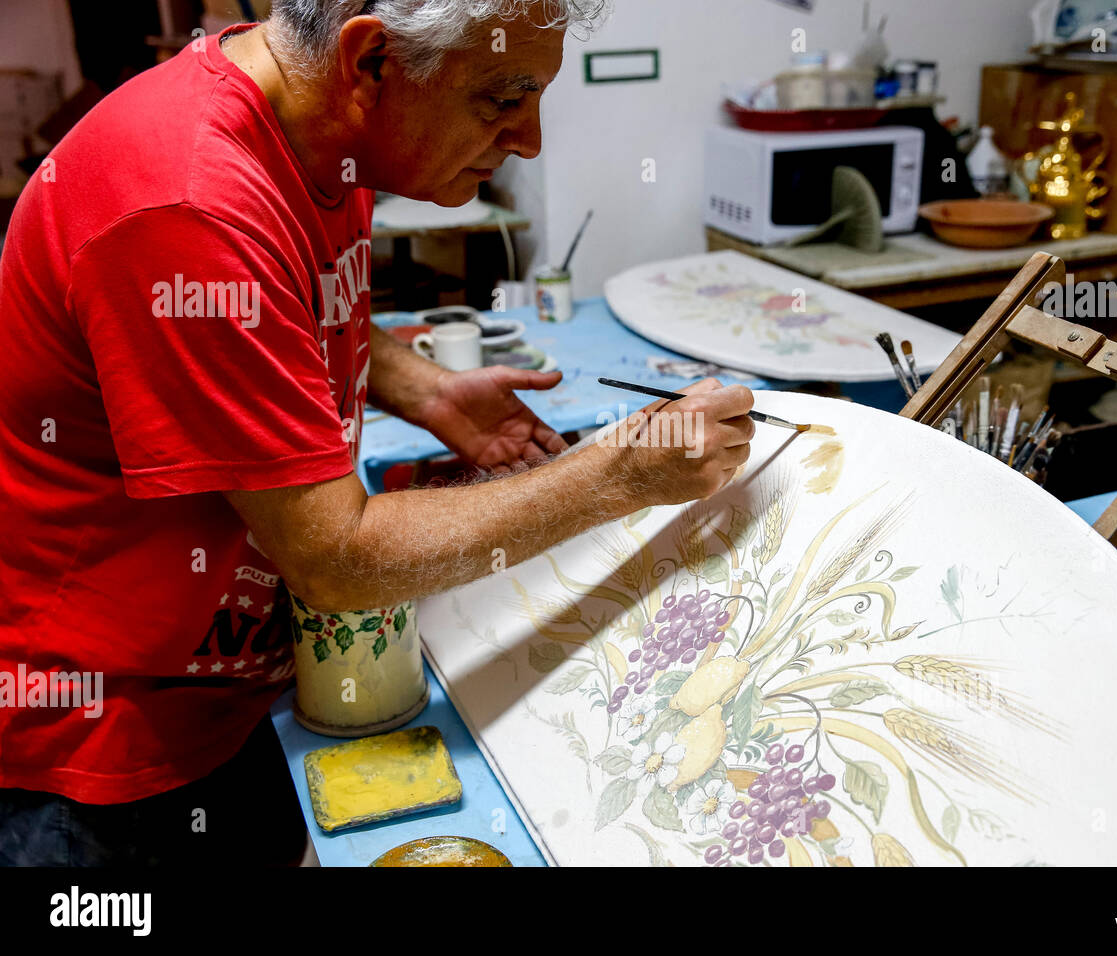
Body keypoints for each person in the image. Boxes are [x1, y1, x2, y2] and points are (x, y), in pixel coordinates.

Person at [0, 0, 754, 865]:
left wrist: (423, 390)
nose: (530, 141)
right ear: (369, 63)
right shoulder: (189, 203)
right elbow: (336, 560)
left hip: (233, 687)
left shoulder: (314, 128)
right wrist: (621, 475)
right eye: (502, 100)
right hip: (103, 753)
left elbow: (279, 301)